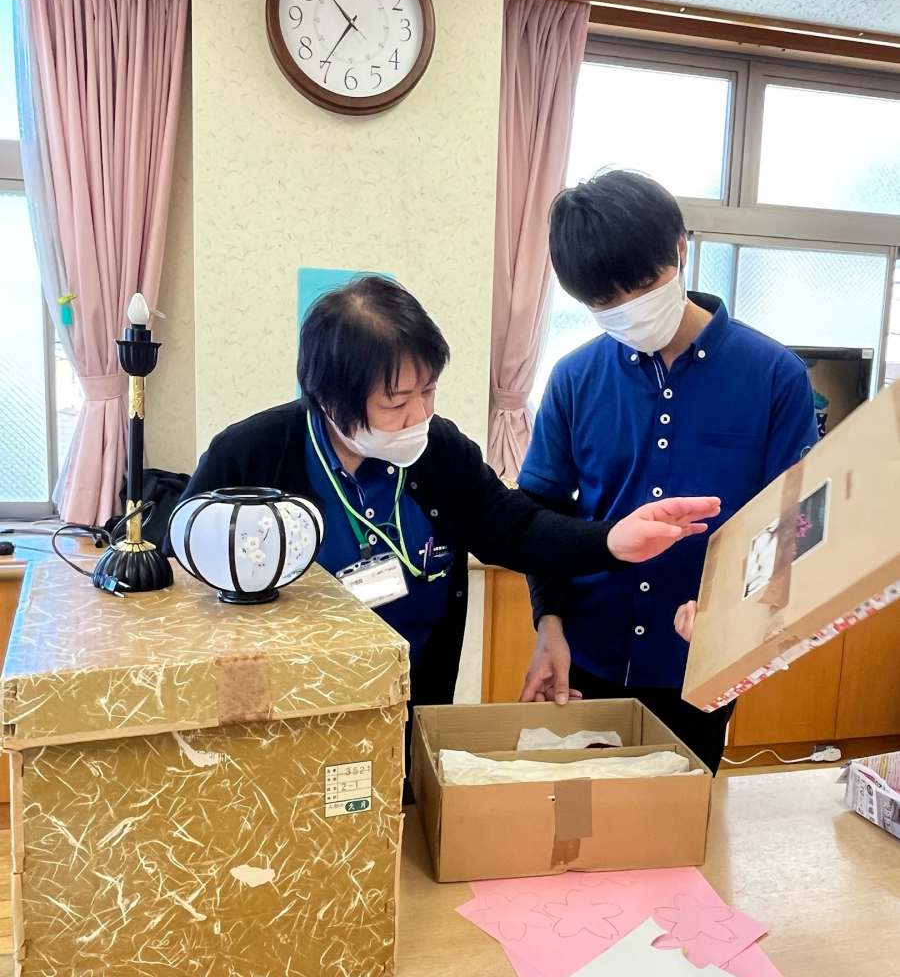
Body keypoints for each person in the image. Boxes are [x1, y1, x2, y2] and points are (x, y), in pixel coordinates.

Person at [176, 275, 719, 772]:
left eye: (428, 391)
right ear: (328, 399)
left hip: (409, 704)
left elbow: (516, 528)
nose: (419, 415)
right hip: (287, 716)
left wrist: (612, 540)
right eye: (396, 402)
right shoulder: (253, 455)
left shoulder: (440, 452)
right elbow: (184, 579)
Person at [517, 170, 818, 772]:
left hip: (700, 661)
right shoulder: (574, 378)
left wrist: (737, 609)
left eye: (641, 287)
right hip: (588, 655)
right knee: (578, 817)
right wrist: (549, 625)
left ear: (680, 250)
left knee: (680, 819)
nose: (626, 310)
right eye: (604, 303)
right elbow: (541, 516)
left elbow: (798, 521)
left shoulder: (774, 376)